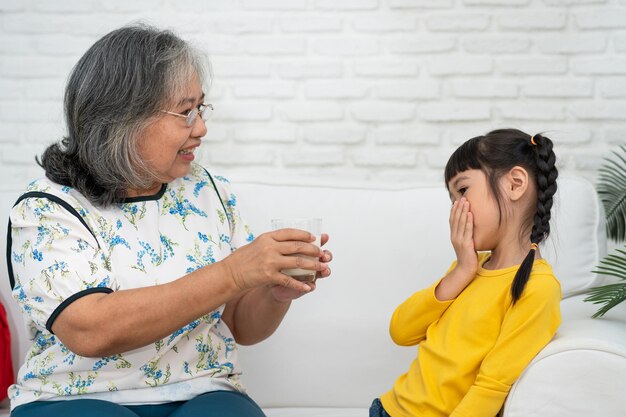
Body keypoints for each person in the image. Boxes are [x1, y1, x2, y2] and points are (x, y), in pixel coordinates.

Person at [6, 24, 332, 417]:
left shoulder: (209, 191)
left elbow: (243, 327)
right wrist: (235, 272)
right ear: (124, 118)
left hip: (202, 390)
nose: (202, 128)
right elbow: (91, 330)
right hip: (73, 398)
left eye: (201, 108)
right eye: (185, 112)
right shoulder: (46, 208)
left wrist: (274, 292)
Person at [370, 129, 561, 417]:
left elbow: (491, 387)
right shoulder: (469, 267)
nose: (456, 208)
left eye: (462, 190)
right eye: (451, 199)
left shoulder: (538, 288)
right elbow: (401, 331)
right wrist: (461, 271)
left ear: (515, 184)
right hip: (387, 408)